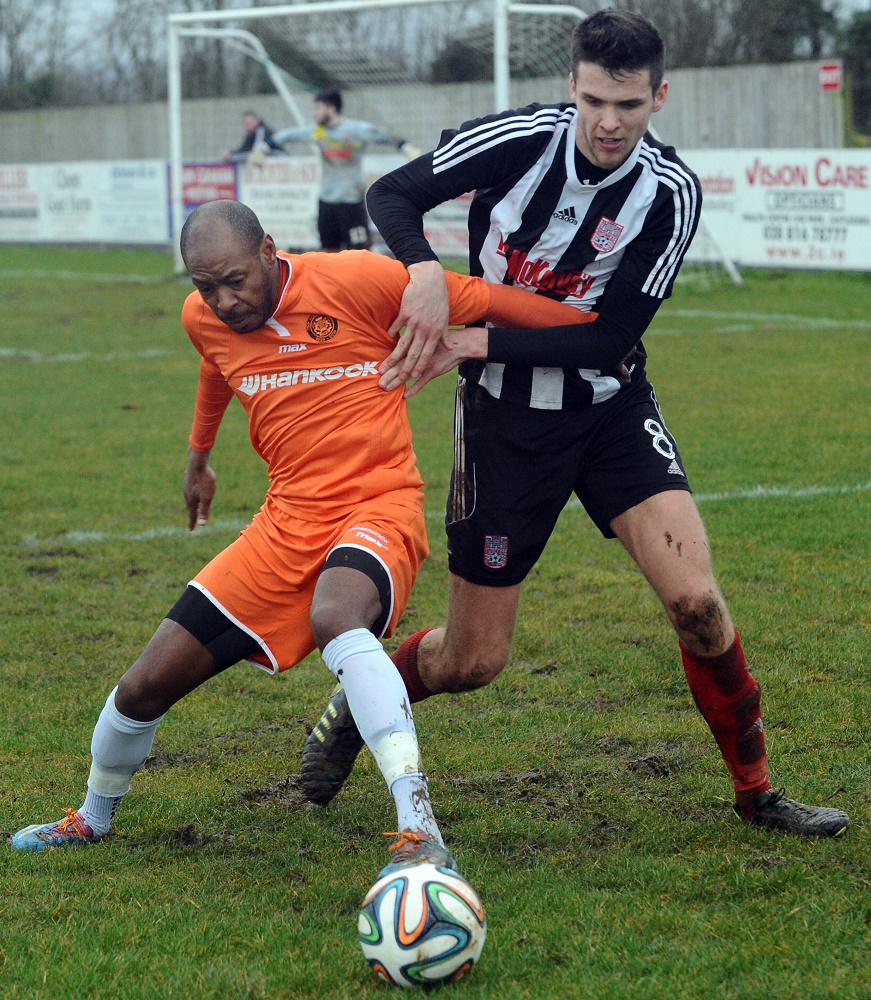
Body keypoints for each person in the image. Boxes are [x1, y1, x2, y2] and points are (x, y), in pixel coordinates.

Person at [299, 10, 851, 838]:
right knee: (473, 661)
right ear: (571, 87)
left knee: (699, 604)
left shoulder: (669, 194)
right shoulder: (518, 140)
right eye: (594, 99)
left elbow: (609, 336)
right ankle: (361, 697)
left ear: (658, 96)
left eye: (628, 105)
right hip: (502, 427)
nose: (607, 122)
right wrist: (420, 270)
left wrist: (467, 339)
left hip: (608, 410)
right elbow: (394, 191)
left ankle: (756, 791)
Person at [10, 199, 592, 862]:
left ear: (268, 252)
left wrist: (597, 328)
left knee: (336, 616)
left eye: (235, 280)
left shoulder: (359, 280)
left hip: (378, 504)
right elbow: (215, 364)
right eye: (205, 287)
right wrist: (199, 457)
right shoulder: (203, 317)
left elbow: (485, 297)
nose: (223, 301)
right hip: (284, 523)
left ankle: (418, 828)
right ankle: (92, 818)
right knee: (143, 685)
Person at [266, 89, 420, 251]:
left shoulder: (355, 130)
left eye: (318, 108)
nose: (314, 112)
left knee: (360, 252)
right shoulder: (318, 132)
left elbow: (383, 135)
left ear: (331, 109)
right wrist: (264, 147)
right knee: (329, 252)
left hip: (351, 202)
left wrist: (406, 147)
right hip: (326, 202)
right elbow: (289, 135)